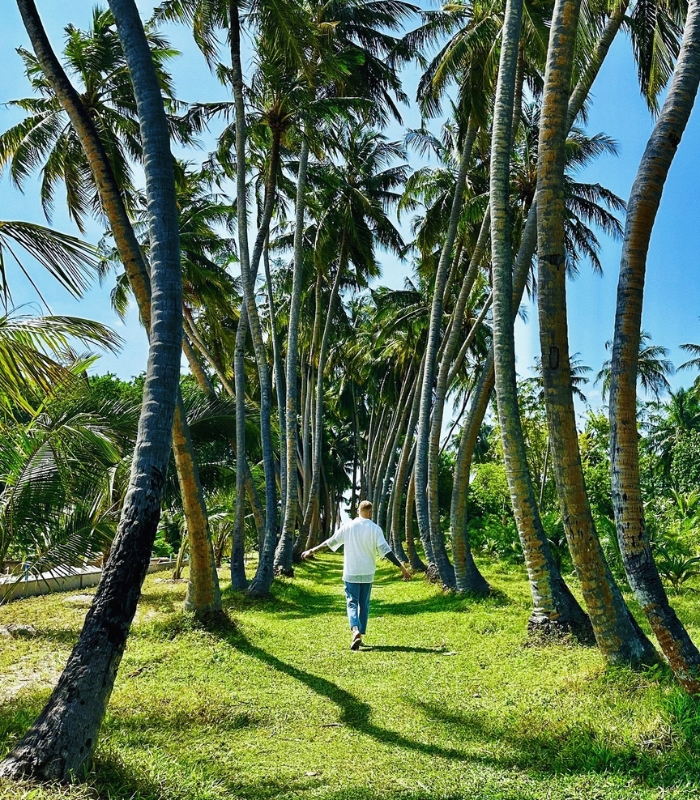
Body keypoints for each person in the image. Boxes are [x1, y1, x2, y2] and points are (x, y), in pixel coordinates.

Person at [302, 500, 411, 650]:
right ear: (370, 512)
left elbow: (330, 542)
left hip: (351, 572)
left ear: (358, 510)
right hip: (367, 573)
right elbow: (387, 551)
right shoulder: (375, 529)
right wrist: (402, 567)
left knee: (351, 602)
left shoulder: (348, 527)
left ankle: (355, 631)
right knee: (364, 604)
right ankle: (360, 633)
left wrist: (311, 550)